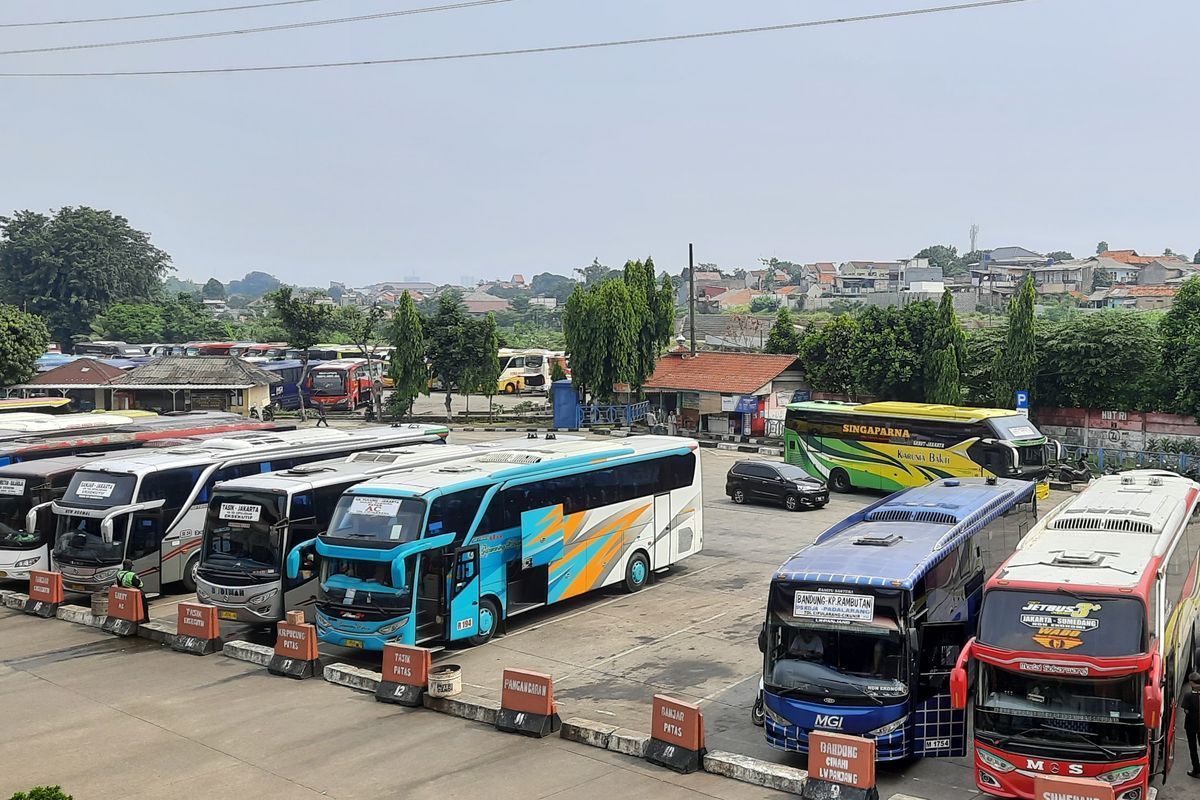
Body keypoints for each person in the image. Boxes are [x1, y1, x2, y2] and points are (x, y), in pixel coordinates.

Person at [1183, 671, 1200, 778]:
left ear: (1192, 683)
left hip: (1191, 726)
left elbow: (1186, 710)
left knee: (1193, 748)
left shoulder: (1188, 696)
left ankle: (1196, 770)